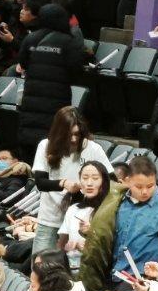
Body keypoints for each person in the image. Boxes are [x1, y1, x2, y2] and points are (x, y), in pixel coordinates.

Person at [79, 155, 158, 291]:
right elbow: (107, 234)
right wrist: (91, 231)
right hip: (112, 274)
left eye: (150, 186)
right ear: (127, 181)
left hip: (139, 278)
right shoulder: (116, 203)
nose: (145, 191)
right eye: (139, 186)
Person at [30, 107, 110, 256]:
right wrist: (64, 183)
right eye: (69, 135)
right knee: (40, 264)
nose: (73, 139)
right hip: (50, 216)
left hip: (79, 217)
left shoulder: (93, 148)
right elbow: (41, 183)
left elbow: (111, 180)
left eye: (77, 134)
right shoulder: (46, 146)